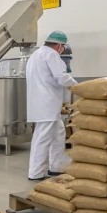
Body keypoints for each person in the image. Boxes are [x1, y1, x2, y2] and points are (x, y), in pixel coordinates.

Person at [26, 31, 78, 181]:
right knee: (42, 137)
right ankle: (36, 173)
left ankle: (56, 166)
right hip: (46, 103)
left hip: (41, 102)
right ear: (59, 46)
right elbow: (61, 77)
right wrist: (77, 86)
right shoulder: (51, 55)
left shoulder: (36, 54)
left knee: (59, 132)